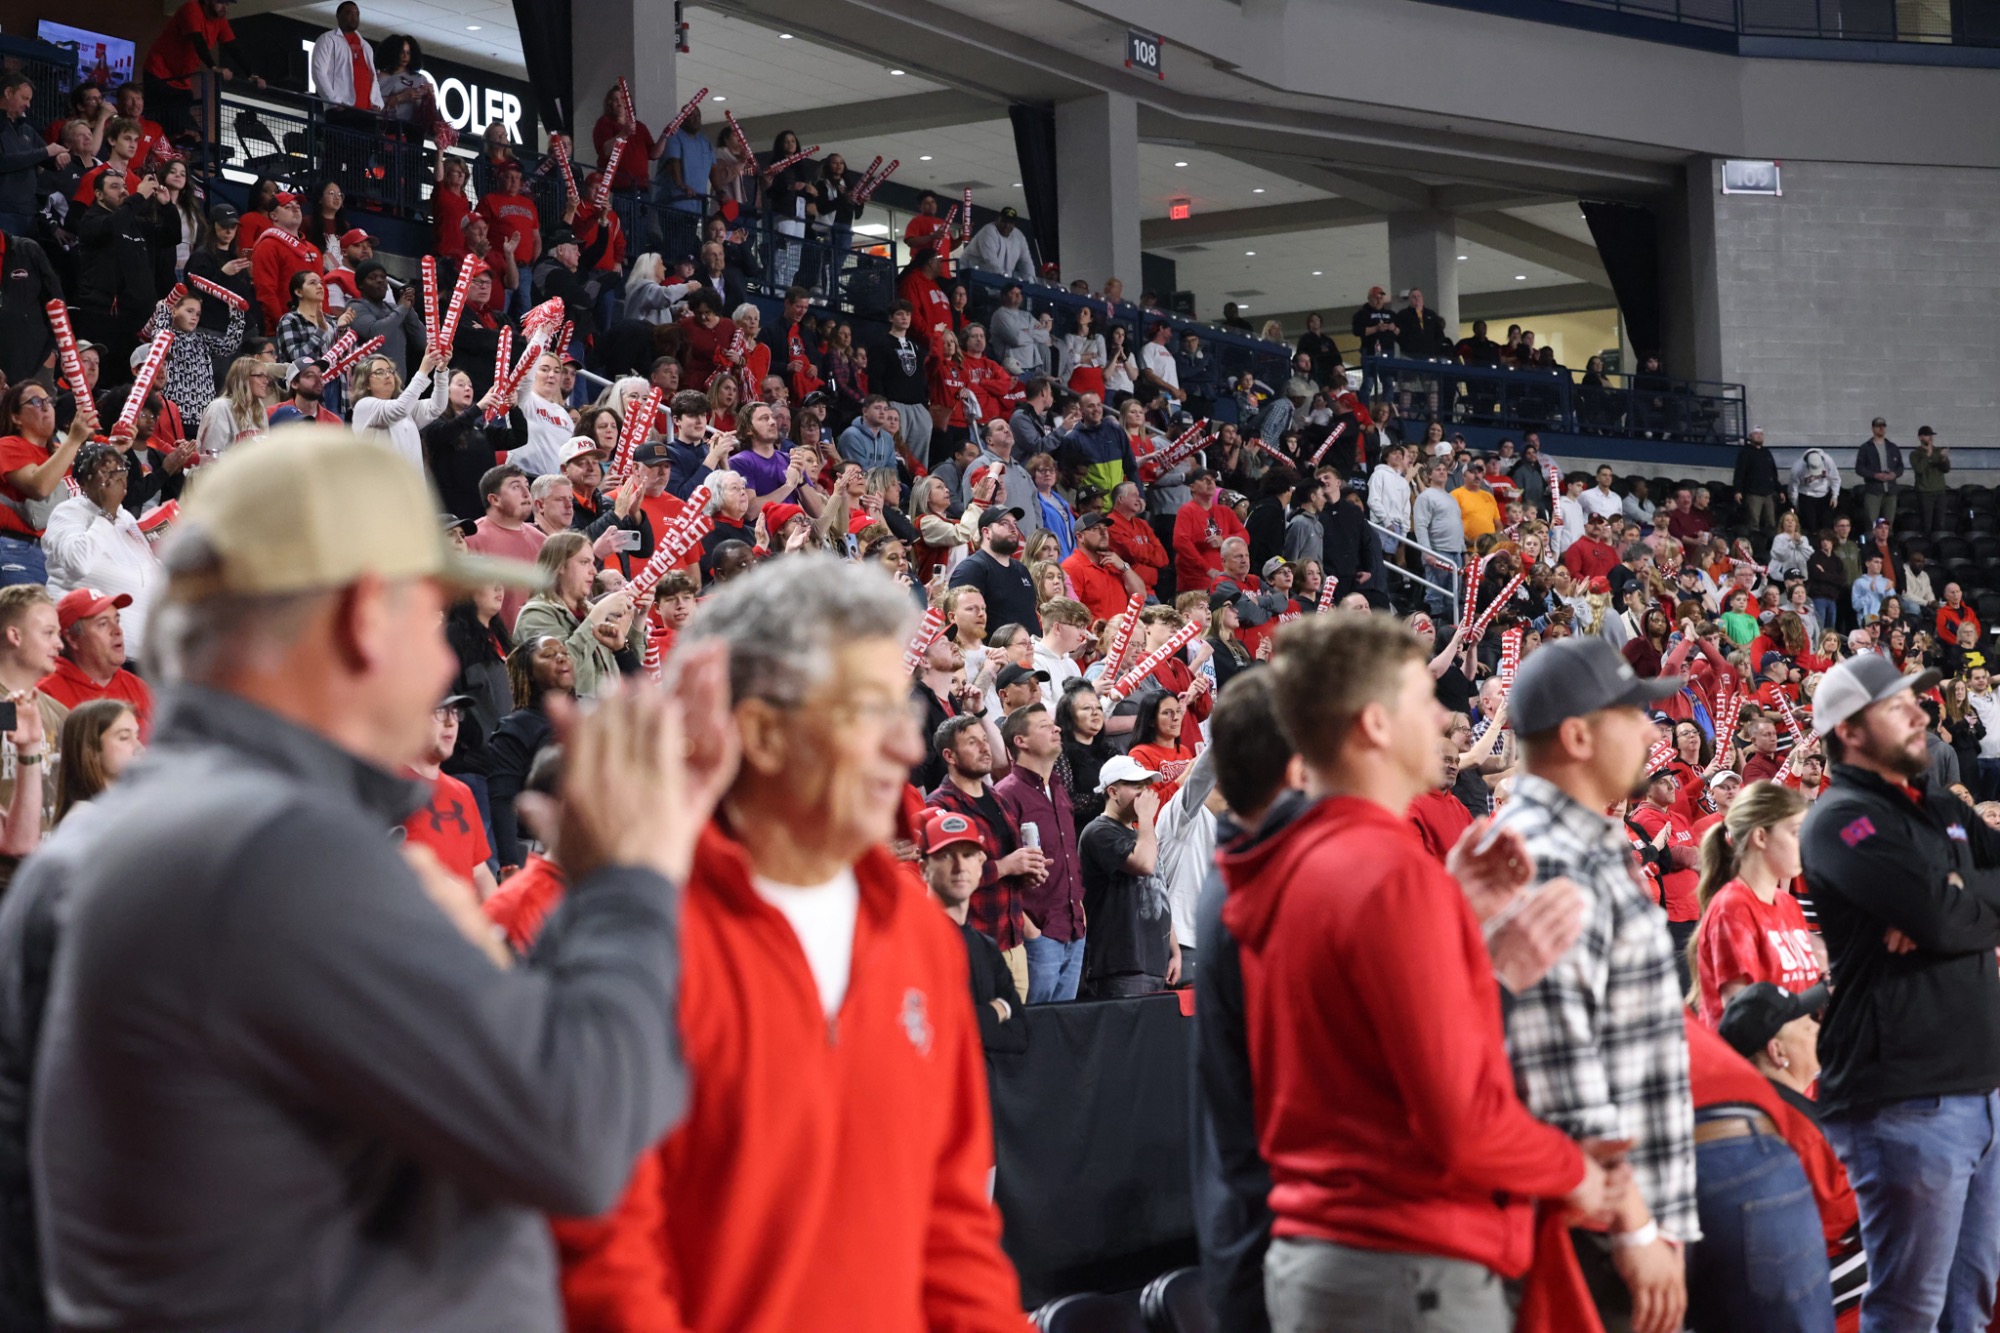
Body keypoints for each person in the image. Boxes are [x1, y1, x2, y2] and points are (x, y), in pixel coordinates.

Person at [0, 427, 735, 1331]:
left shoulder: (90, 852)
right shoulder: (284, 859)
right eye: (428, 617)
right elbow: (583, 1133)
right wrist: (629, 877)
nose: (444, 661)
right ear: (359, 619)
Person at [533, 556, 1025, 1330]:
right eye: (869, 713)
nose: (907, 745)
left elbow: (954, 1226)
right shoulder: (637, 934)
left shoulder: (919, 933)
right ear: (762, 733)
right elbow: (600, 1254)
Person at [1221, 613, 1620, 1333]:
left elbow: (1359, 1055)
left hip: (1329, 1254)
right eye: (1424, 698)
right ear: (1375, 724)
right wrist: (1576, 1170)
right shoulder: (1390, 876)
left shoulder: (1300, 861)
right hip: (1408, 1265)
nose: (1443, 717)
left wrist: (1455, 917)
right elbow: (1463, 1124)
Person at [1493, 635, 1697, 1333]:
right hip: (1597, 1227)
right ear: (1578, 736)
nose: (1652, 733)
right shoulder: (1544, 853)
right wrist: (1634, 1226)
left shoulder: (1579, 839)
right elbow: (1560, 1062)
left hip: (1618, 1214)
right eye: (1631, 715)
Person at [1800, 651, 2000, 1333]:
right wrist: (1945, 907)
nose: (1921, 714)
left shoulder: (1938, 805)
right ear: (1849, 730)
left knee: (1969, 1307)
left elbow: (1942, 916)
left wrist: (1957, 898)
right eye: (1898, 706)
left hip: (1979, 1087)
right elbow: (1935, 918)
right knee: (1910, 1310)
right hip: (1905, 1098)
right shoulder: (1839, 819)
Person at [1716, 984, 1869, 1332]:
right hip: (1807, 1282)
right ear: (1777, 1051)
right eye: (1806, 1023)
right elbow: (1848, 1219)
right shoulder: (1793, 1125)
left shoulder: (1761, 1102)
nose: (1818, 1026)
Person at [920, 808, 1026, 1050]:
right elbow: (935, 1030)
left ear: (980, 863)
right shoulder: (911, 941)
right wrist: (998, 1010)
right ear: (924, 868)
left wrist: (973, 1023)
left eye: (968, 855)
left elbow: (1020, 1036)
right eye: (946, 856)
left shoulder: (986, 946)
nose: (960, 867)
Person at [1078, 755, 1180, 997]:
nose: (1145, 793)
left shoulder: (1142, 836)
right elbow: (1143, 865)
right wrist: (1146, 818)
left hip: (1153, 961)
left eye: (1147, 786)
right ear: (1113, 792)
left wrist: (1174, 951)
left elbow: (1159, 892)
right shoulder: (1098, 831)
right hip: (1121, 963)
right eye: (1136, 786)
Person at [401, 695, 497, 899]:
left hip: (459, 918)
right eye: (440, 711)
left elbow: (480, 872)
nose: (451, 722)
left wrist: (498, 915)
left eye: (455, 712)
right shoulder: (388, 786)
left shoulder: (462, 792)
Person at [37, 587, 152, 735]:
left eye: (117, 620)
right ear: (71, 638)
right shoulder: (46, 693)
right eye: (103, 624)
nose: (118, 630)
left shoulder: (139, 687)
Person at [949, 505, 1041, 635]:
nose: (1013, 528)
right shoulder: (971, 569)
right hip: (994, 647)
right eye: (1004, 523)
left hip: (1029, 646)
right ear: (987, 532)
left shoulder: (1021, 569)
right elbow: (961, 623)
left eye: (1015, 523)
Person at [50, 697, 138, 825]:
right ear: (91, 749)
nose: (139, 747)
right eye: (124, 737)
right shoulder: (83, 820)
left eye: (137, 735)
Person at [1853, 418, 1902, 530]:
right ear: (1873, 429)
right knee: (1871, 524)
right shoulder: (1866, 447)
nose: (1881, 428)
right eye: (1878, 426)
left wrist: (1894, 474)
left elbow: (1900, 466)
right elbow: (1859, 468)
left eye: (1883, 426)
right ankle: (1871, 541)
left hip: (1891, 490)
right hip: (1873, 490)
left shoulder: (1892, 447)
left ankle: (1887, 541)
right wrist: (1874, 475)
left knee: (1889, 524)